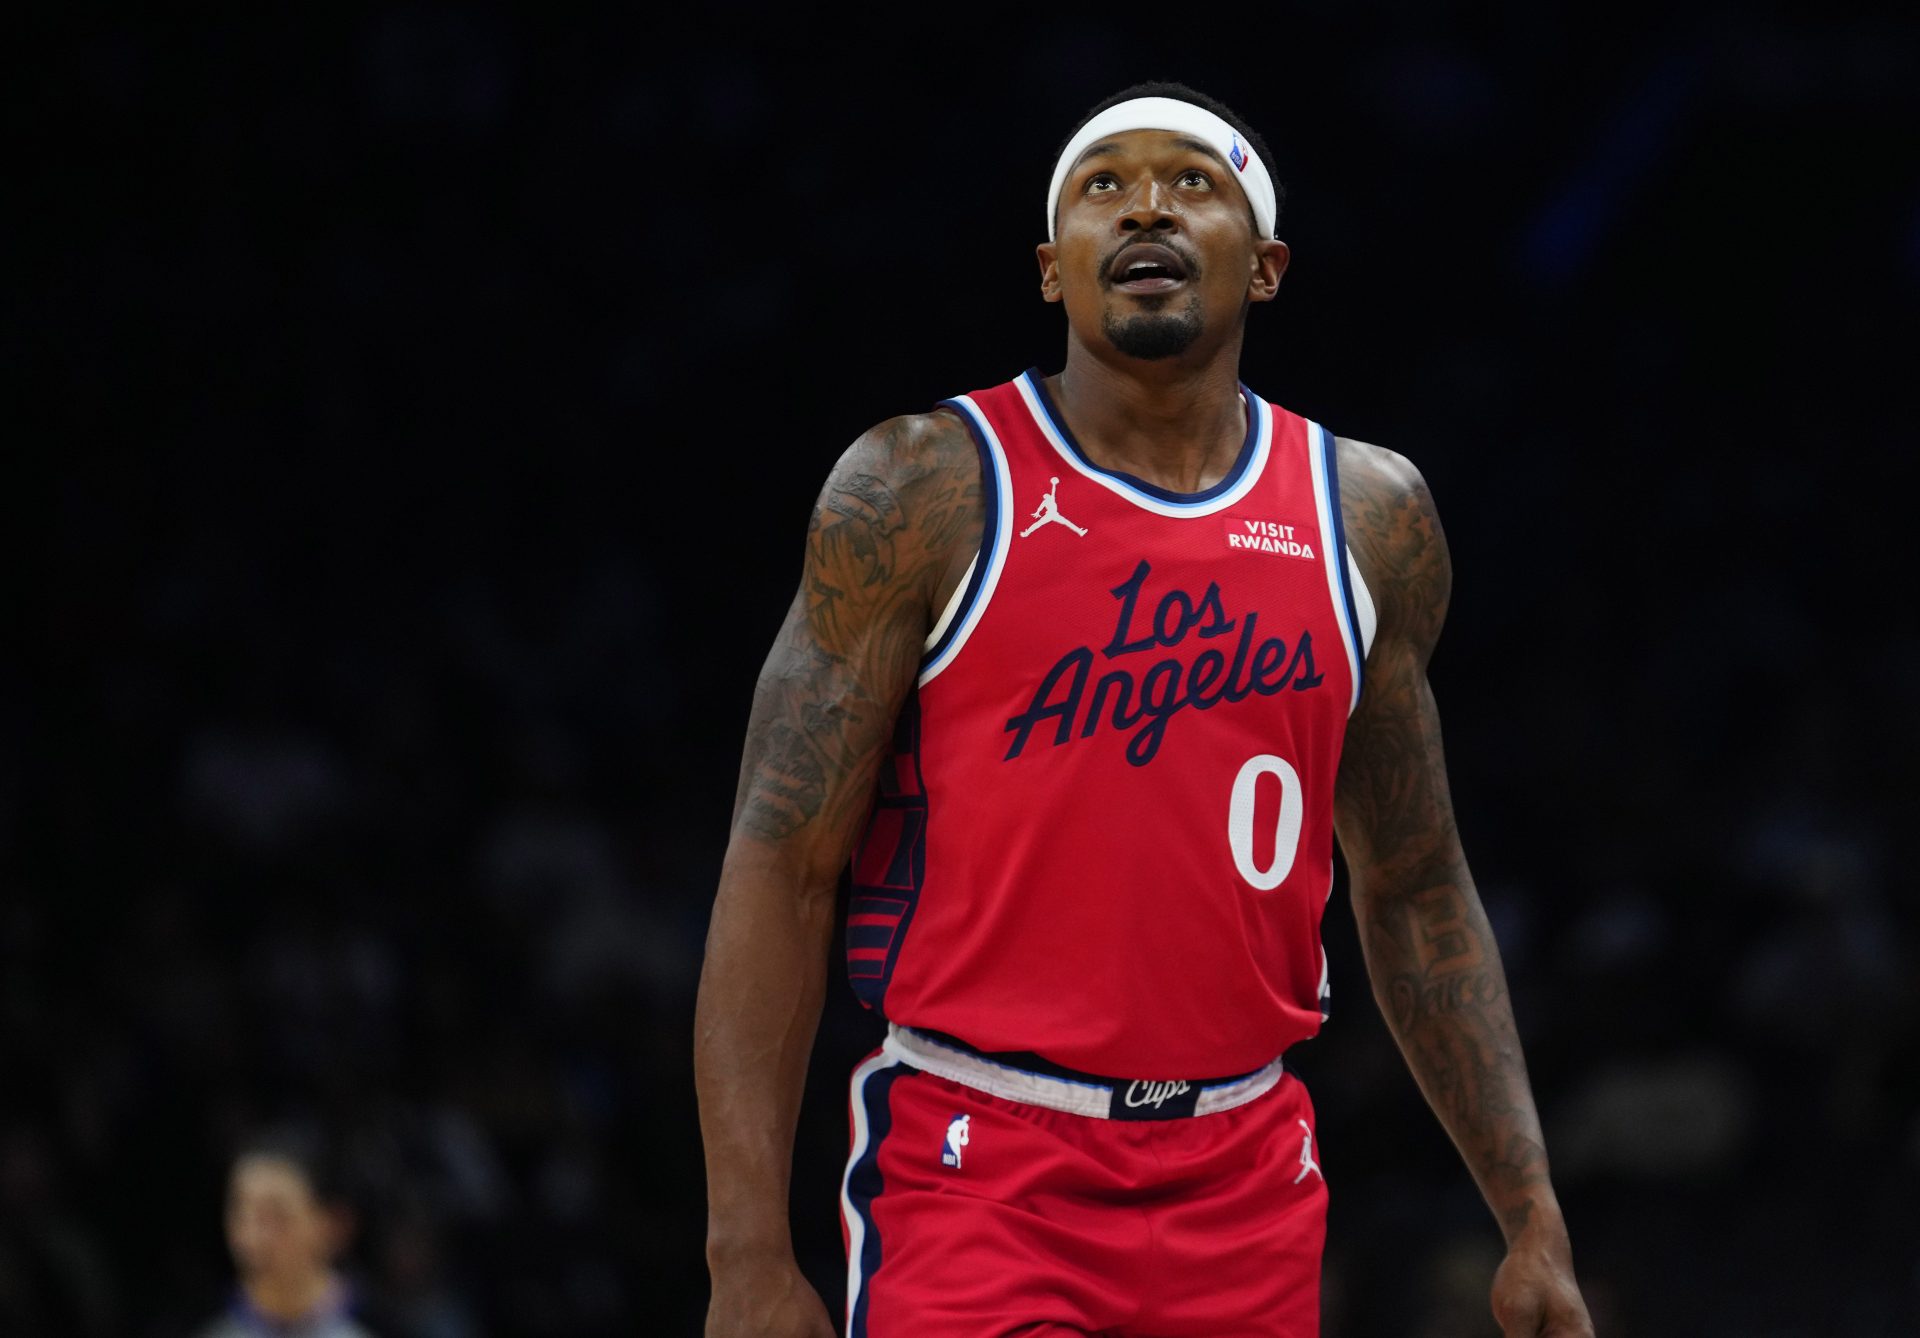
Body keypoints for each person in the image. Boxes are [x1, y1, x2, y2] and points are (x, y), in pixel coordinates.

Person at [695, 81, 1594, 1337]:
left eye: (1193, 183)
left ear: (1266, 266)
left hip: (1248, 1171)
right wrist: (744, 1250)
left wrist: (1530, 1210)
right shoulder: (922, 486)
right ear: (1051, 269)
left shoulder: (1370, 517)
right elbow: (781, 861)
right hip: (978, 1165)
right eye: (1102, 186)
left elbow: (1415, 883)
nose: (1145, 209)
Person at [198, 1128, 379, 1338]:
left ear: (332, 1224)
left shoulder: (379, 1324)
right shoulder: (200, 1323)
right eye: (241, 1213)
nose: (252, 1237)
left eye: (276, 1216)